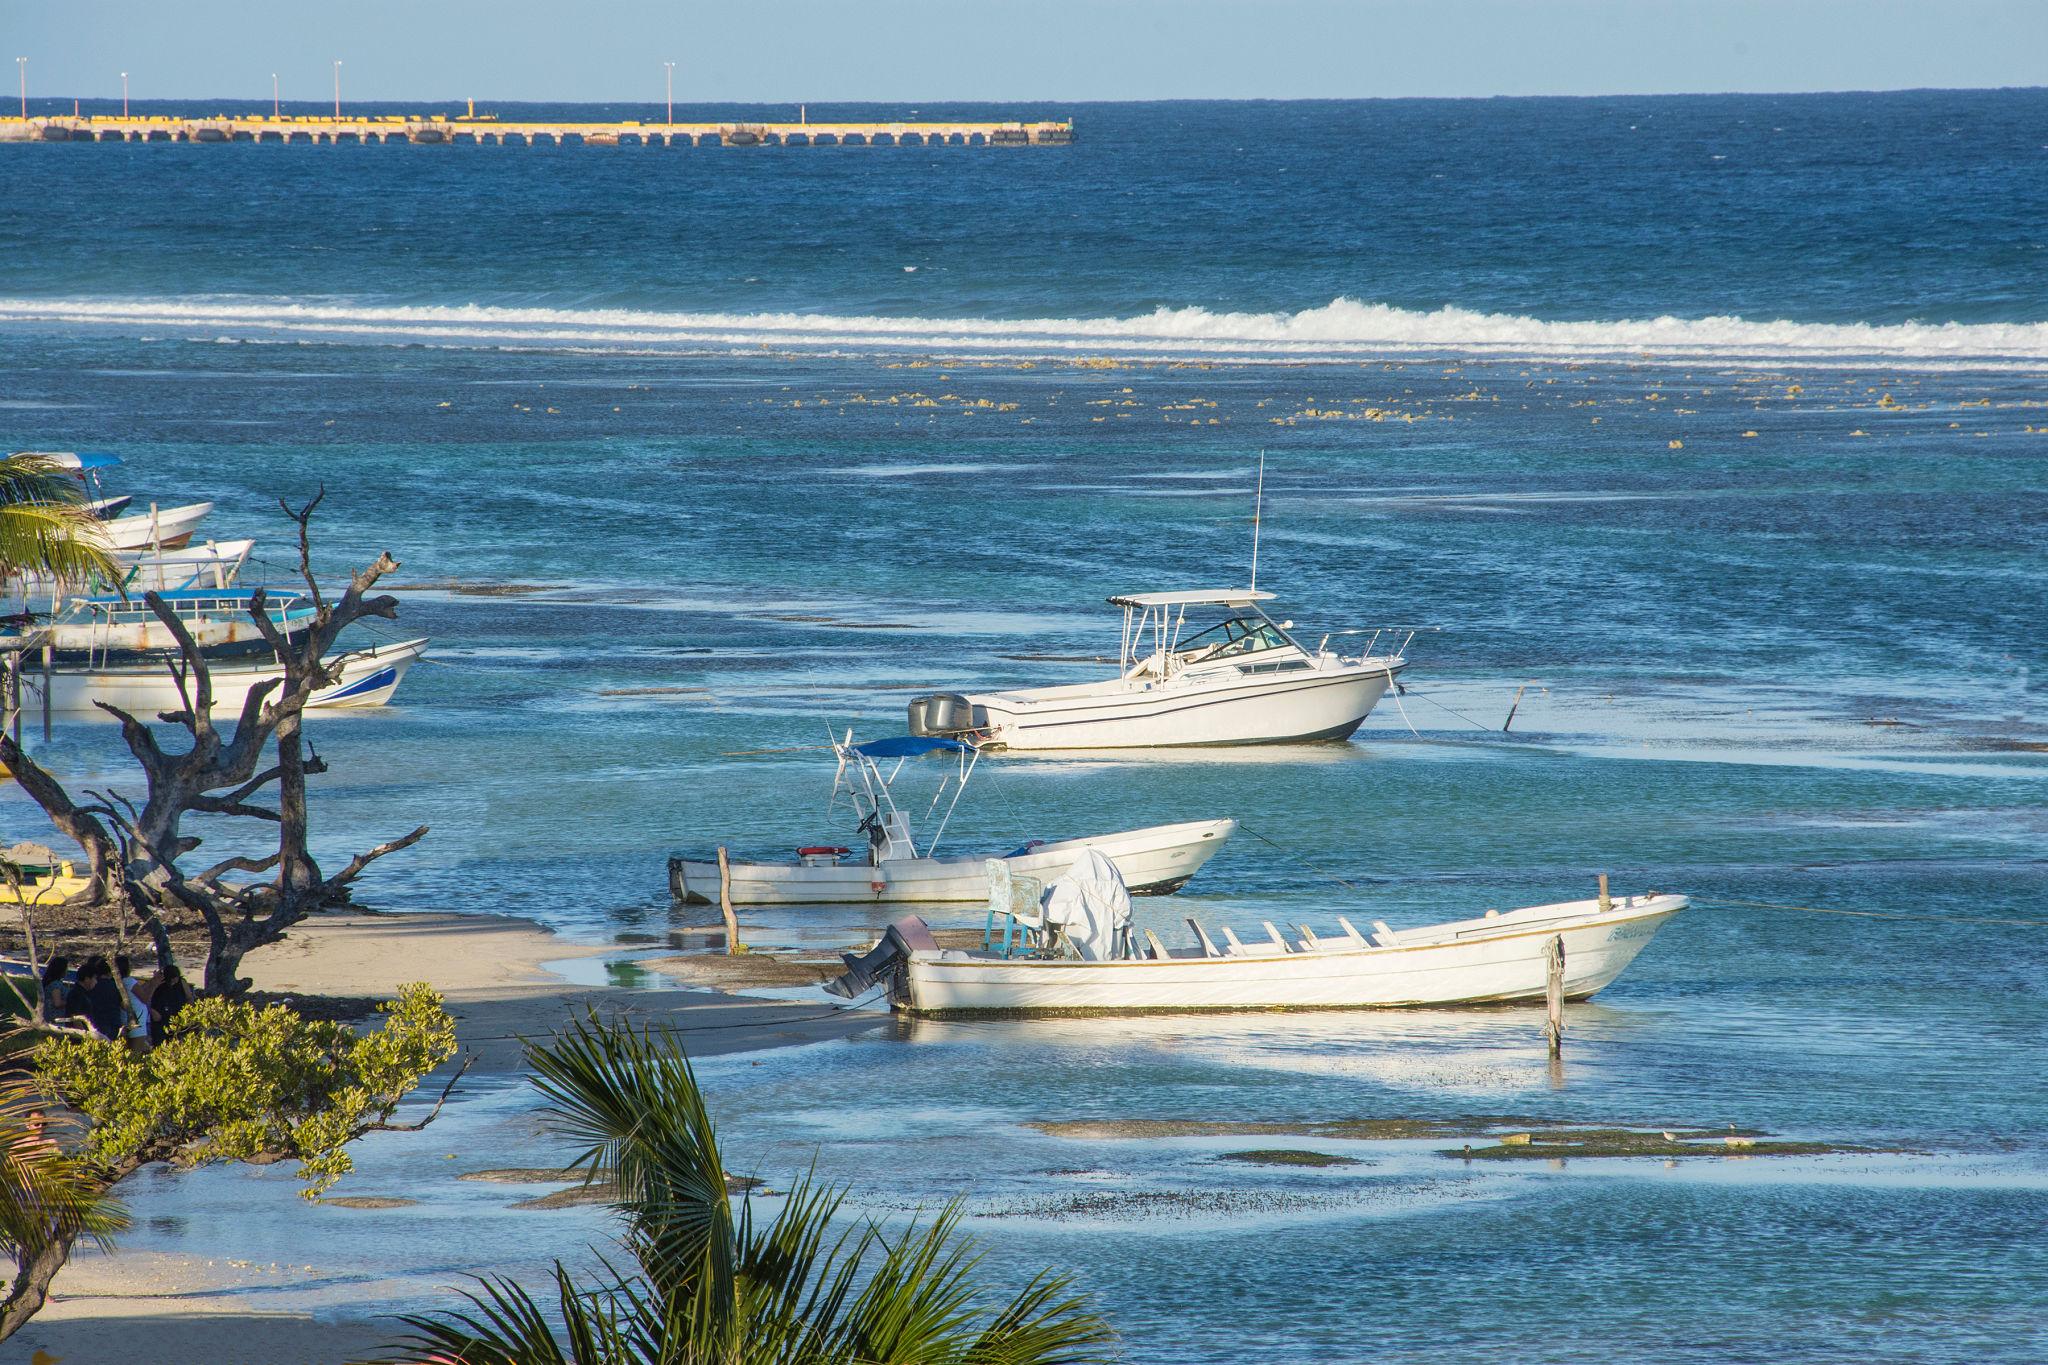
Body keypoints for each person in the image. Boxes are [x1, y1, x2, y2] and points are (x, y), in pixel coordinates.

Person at [67, 956, 127, 1041]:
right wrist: (85, 1037)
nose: (96, 982)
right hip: (84, 1035)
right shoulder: (77, 994)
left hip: (98, 1028)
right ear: (87, 979)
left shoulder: (86, 992)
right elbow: (76, 1018)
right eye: (95, 978)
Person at [114, 953, 153, 1054]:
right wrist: (155, 983)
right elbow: (145, 998)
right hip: (137, 1020)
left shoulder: (119, 981)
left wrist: (151, 982)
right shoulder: (129, 981)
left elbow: (139, 991)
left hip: (126, 1018)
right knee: (136, 1053)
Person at [148, 962, 193, 1045]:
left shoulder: (181, 982)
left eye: (176, 979)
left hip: (178, 1017)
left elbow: (189, 997)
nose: (173, 981)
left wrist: (188, 1011)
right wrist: (152, 1011)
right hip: (161, 1018)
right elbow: (147, 998)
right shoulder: (159, 984)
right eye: (171, 979)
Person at [36, 954, 71, 1020]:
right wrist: (71, 1002)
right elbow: (57, 1003)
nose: (67, 971)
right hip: (56, 1019)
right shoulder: (55, 985)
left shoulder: (50, 982)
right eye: (66, 968)